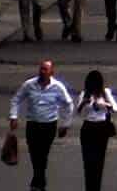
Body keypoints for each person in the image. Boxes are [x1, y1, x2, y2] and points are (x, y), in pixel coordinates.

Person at [10, 56, 77, 185]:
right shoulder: (29, 84)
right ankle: (38, 174)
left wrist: (66, 125)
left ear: (51, 72)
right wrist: (14, 116)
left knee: (43, 152)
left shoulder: (58, 87)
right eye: (41, 69)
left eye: (45, 69)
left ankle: (39, 178)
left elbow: (68, 104)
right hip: (33, 124)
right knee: (34, 151)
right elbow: (16, 99)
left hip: (49, 125)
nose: (42, 72)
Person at [73, 70, 117, 191]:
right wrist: (84, 103)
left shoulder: (105, 92)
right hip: (88, 128)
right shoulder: (85, 94)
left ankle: (96, 187)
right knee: (88, 161)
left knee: (99, 161)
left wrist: (104, 104)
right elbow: (78, 112)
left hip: (101, 128)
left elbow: (115, 108)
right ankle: (89, 187)